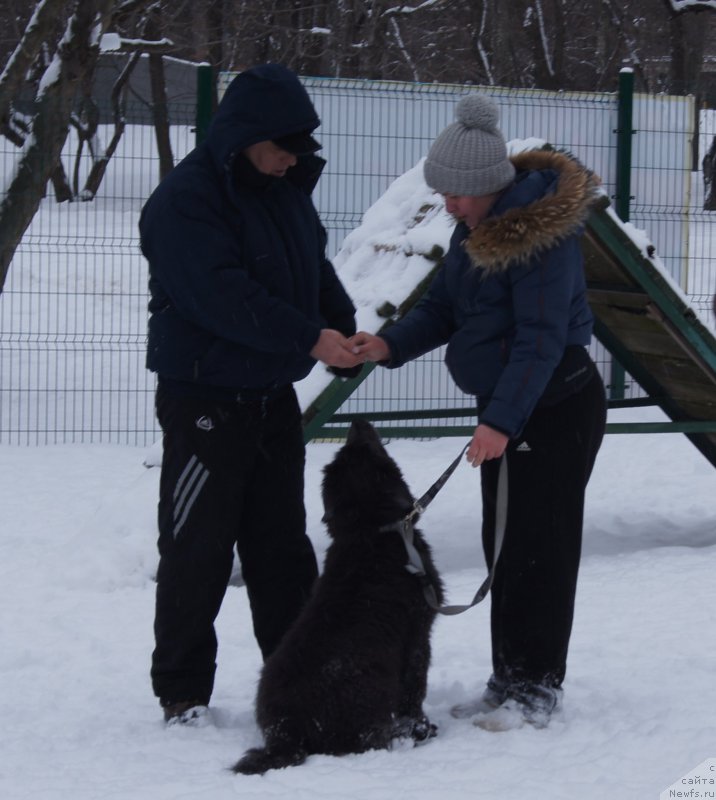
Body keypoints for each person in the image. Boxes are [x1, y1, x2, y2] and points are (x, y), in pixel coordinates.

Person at [351, 93, 607, 730]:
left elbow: (540, 341)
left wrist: (499, 422)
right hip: (516, 411)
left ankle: (534, 689)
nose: (447, 205)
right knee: (508, 547)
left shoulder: (540, 241)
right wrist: (389, 344)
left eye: (456, 194)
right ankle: (508, 678)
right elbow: (442, 308)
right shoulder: (475, 231)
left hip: (554, 409)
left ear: (488, 186)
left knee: (539, 552)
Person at [139, 63, 358, 725]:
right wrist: (310, 337)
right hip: (204, 397)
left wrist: (341, 327)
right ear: (243, 135)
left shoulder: (283, 187)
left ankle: (301, 677)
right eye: (282, 146)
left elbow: (312, 266)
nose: (293, 159)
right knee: (197, 548)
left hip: (269, 397)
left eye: (300, 149)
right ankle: (183, 692)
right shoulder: (186, 200)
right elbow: (222, 297)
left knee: (282, 548)